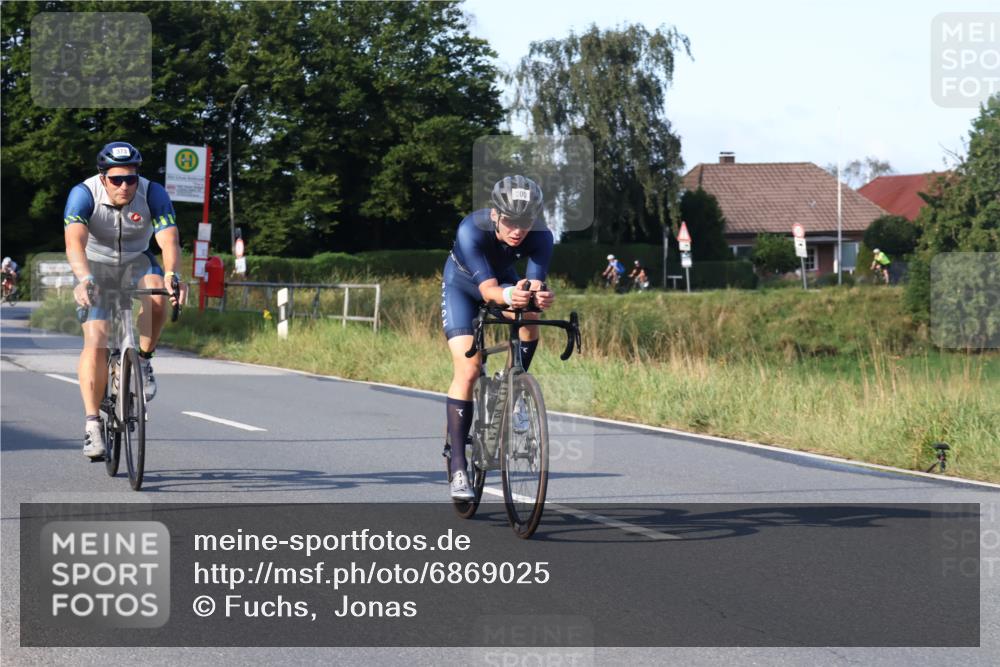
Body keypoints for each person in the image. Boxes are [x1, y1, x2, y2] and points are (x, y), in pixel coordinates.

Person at [64, 141, 187, 459]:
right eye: (117, 179)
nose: (124, 185)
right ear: (103, 177)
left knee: (158, 292)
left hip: (137, 260)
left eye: (130, 179)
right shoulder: (84, 193)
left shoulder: (153, 193)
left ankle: (143, 360)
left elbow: (168, 239)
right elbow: (74, 242)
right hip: (96, 266)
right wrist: (84, 279)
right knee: (96, 339)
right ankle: (92, 425)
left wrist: (173, 274)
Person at [441, 175, 554, 499]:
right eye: (510, 222)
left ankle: (515, 385)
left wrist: (541, 295)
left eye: (525, 222)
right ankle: (459, 467)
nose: (518, 230)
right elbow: (489, 291)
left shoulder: (542, 236)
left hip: (503, 283)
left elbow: (533, 283)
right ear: (495, 216)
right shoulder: (471, 230)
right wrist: (510, 294)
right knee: (470, 368)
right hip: (462, 287)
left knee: (531, 310)